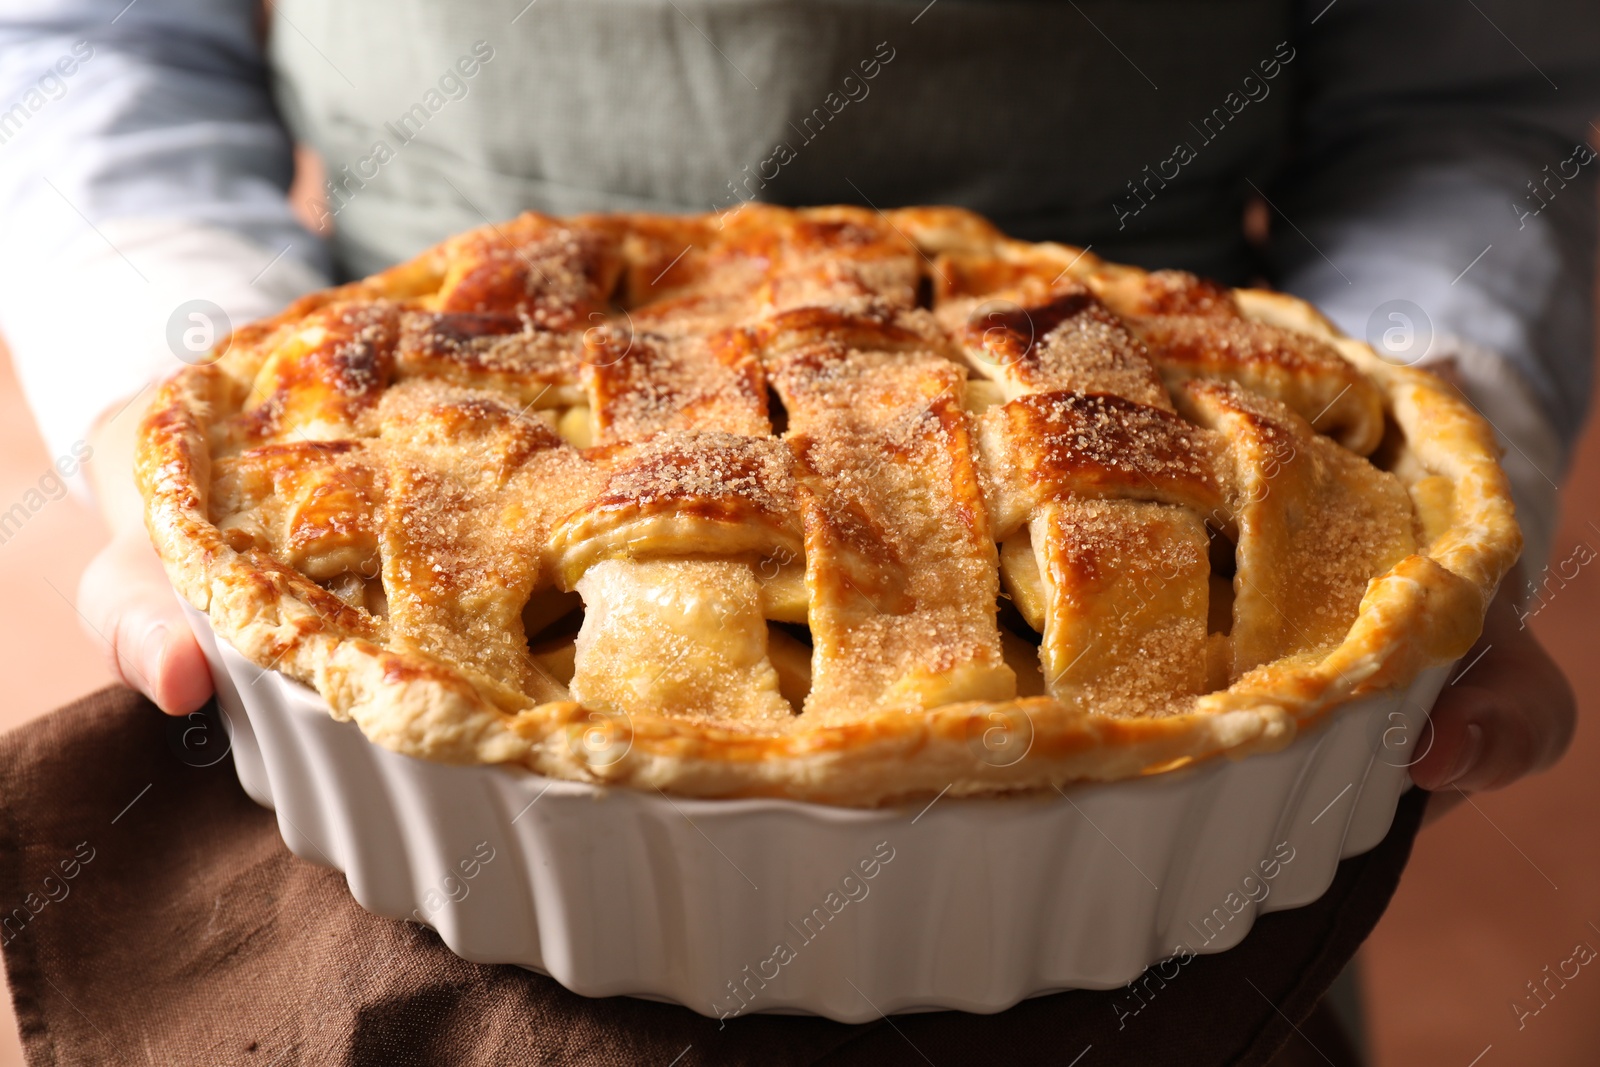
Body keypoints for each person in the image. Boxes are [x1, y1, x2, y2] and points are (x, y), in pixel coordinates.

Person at [0, 0, 1589, 800]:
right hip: (429, 425)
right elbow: (88, 37)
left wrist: (1447, 404)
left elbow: (1475, 88)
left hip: (1142, 420)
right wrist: (170, 391)